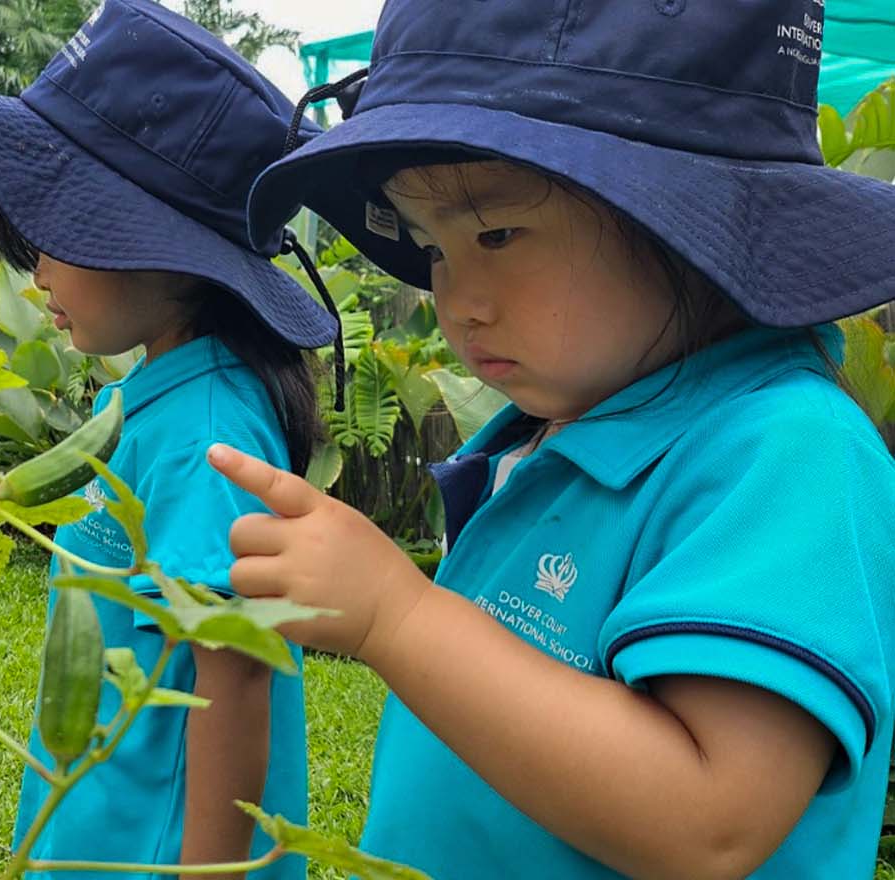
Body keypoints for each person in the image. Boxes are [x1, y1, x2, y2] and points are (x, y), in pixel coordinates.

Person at [205, 0, 895, 877]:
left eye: (496, 233)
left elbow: (711, 820)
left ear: (687, 222)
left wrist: (399, 616)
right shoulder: (557, 429)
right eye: (432, 247)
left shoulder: (788, 453)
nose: (458, 302)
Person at [0, 0, 342, 875]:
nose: (35, 272)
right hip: (108, 833)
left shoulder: (209, 430)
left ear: (161, 248)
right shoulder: (173, 395)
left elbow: (236, 667)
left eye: (55, 236)